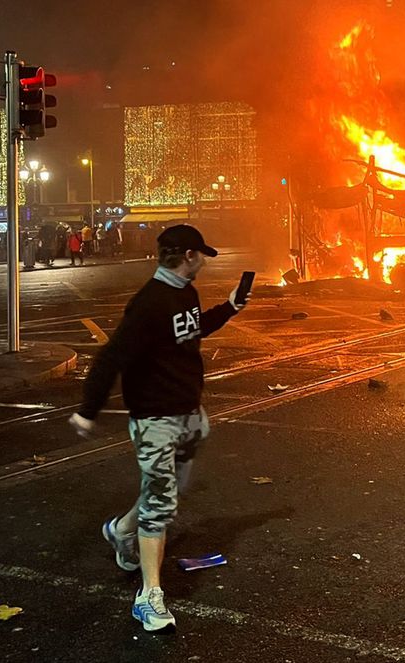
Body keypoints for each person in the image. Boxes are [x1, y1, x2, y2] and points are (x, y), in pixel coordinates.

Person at [68, 224, 248, 631]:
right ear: (188, 256)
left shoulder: (185, 292)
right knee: (161, 503)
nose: (204, 262)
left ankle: (121, 530)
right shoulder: (149, 303)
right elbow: (112, 356)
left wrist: (230, 307)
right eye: (201, 256)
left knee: (164, 491)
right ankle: (149, 597)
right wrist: (88, 411)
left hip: (188, 415)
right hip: (155, 420)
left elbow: (192, 329)